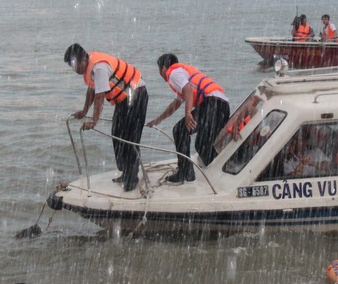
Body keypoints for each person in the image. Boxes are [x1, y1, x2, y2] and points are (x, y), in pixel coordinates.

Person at [65, 44, 148, 192]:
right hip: (124, 100)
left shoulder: (99, 68)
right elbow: (92, 90)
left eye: (75, 64)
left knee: (129, 138)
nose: (75, 69)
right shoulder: (90, 69)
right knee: (117, 133)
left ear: (83, 59)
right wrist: (84, 111)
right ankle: (125, 171)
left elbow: (99, 97)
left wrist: (94, 121)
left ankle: (132, 179)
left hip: (137, 95)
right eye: (72, 66)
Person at [146, 54, 230, 184]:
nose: (160, 73)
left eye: (159, 69)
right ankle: (223, 172)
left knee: (179, 131)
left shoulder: (173, 73)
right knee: (202, 145)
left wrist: (188, 113)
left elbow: (188, 90)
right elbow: (176, 104)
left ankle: (185, 173)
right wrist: (158, 119)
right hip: (222, 107)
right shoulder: (181, 73)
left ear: (163, 68)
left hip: (213, 105)